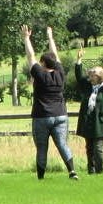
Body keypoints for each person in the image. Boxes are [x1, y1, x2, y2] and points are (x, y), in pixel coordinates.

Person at [21, 25, 78, 180]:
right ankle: (72, 171)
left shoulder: (40, 74)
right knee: (62, 144)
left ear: (43, 64)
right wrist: (50, 37)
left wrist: (26, 38)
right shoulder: (61, 73)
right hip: (60, 115)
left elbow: (30, 57)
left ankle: (41, 177)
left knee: (41, 148)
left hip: (42, 116)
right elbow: (55, 55)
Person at [75, 46, 103, 174]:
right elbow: (78, 75)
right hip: (88, 121)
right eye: (90, 75)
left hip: (101, 122)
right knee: (89, 148)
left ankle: (99, 171)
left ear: (99, 76)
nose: (90, 77)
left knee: (98, 149)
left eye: (93, 75)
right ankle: (91, 171)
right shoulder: (87, 87)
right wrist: (79, 60)